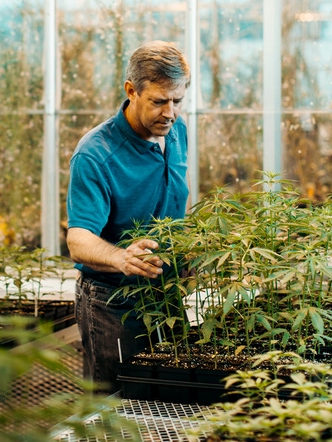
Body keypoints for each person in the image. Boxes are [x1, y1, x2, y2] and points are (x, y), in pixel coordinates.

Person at [66, 40, 191, 394]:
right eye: (158, 101)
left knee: (172, 398)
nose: (169, 112)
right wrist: (122, 258)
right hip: (113, 303)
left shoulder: (176, 131)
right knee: (117, 408)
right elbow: (78, 240)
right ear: (131, 91)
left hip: (167, 294)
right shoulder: (95, 154)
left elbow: (179, 192)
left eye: (177, 101)